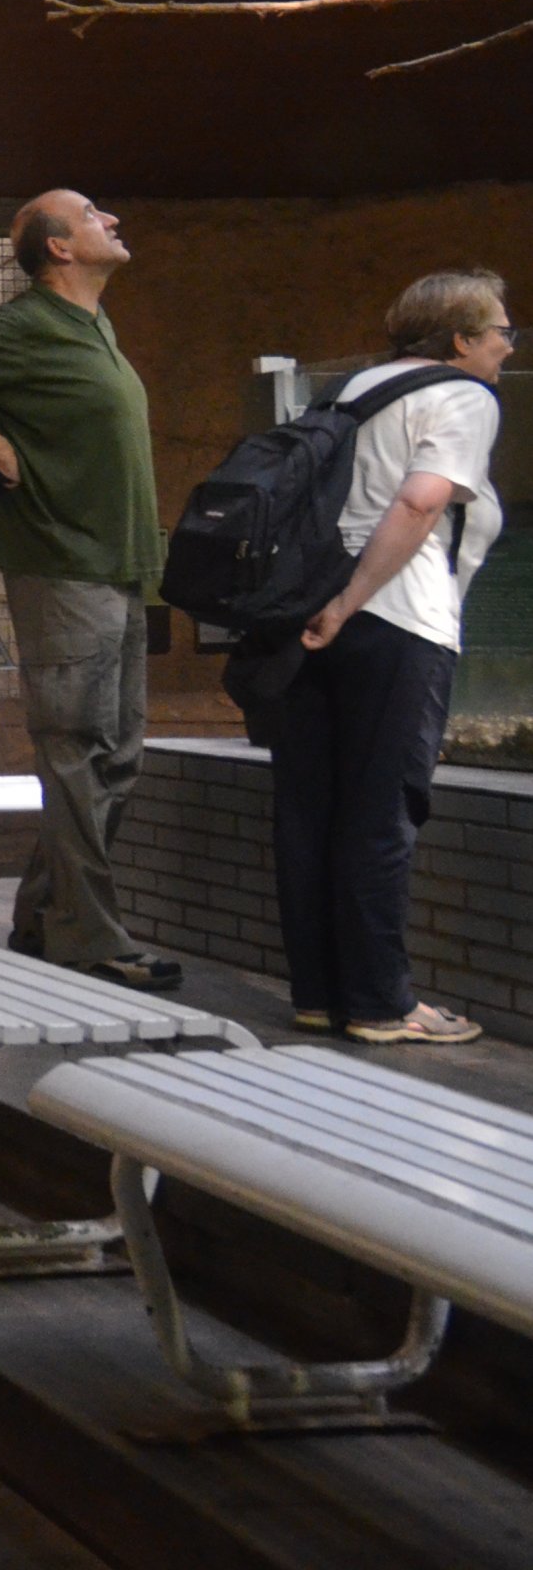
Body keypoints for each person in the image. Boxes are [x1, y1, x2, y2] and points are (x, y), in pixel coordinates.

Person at [0, 190, 184, 990]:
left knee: (114, 757)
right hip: (62, 568)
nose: (113, 220)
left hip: (117, 571)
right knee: (77, 756)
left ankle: (43, 918)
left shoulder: (94, 325)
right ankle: (91, 937)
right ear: (59, 248)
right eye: (93, 215)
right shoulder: (23, 323)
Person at [270, 270, 510, 1045]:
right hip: (394, 620)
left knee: (310, 810)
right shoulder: (463, 396)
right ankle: (380, 1004)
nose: (508, 345)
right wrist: (352, 601)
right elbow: (419, 501)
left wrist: (329, 604)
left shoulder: (347, 391)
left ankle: (317, 992)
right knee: (379, 816)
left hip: (305, 614)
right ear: (461, 340)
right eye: (500, 330)